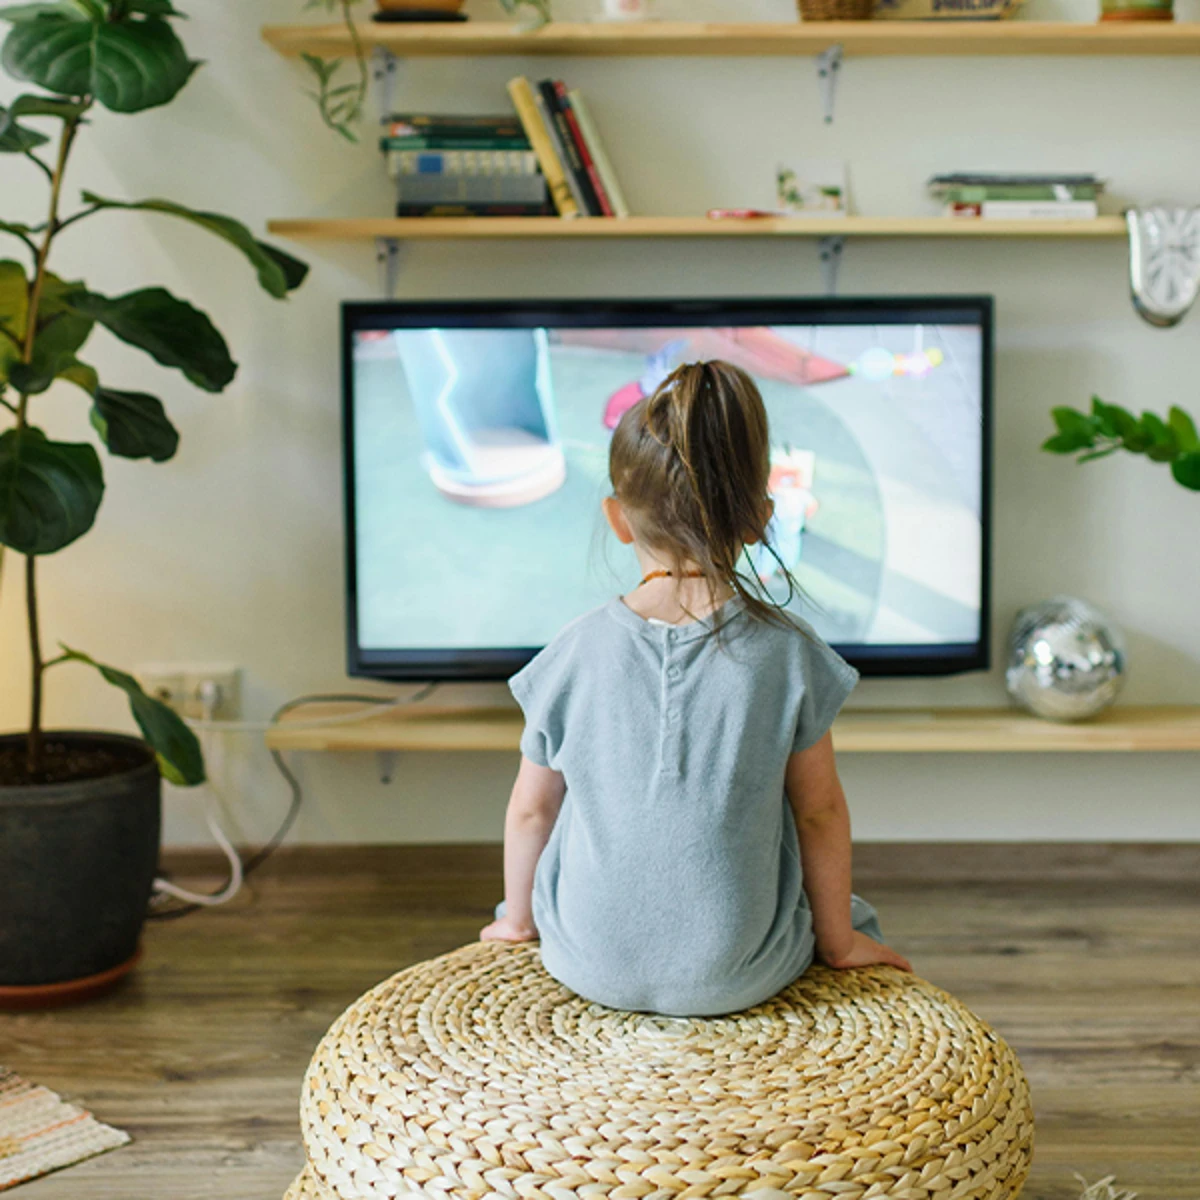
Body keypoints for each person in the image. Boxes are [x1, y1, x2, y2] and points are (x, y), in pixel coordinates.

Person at [480, 359, 911, 1016]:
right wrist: (841, 942)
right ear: (760, 519)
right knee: (840, 901)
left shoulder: (570, 652)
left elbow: (531, 812)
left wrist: (516, 924)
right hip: (738, 974)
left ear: (619, 519)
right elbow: (819, 813)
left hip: (586, 961)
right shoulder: (789, 655)